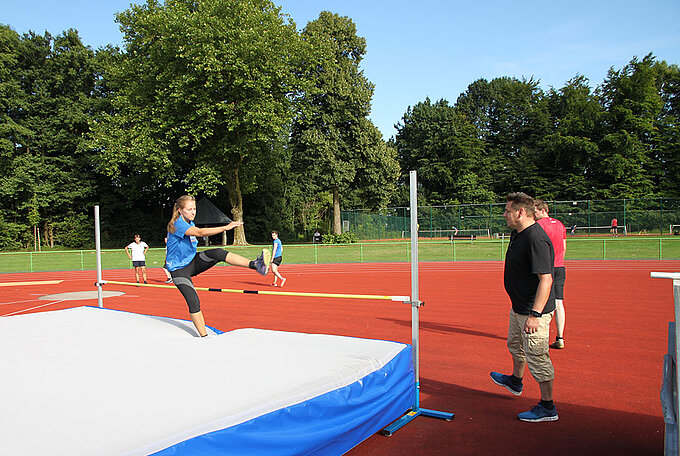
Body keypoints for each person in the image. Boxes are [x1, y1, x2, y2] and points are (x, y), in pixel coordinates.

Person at [490, 192, 558, 422]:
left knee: (537, 355)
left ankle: (548, 406)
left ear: (520, 212)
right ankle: (515, 381)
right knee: (514, 345)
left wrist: (535, 315)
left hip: (533, 311)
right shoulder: (517, 234)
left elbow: (546, 279)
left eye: (508, 211)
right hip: (518, 307)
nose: (504, 214)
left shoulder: (536, 239)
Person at [165, 195, 271, 337]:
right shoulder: (178, 224)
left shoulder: (189, 222)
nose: (193, 212)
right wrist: (225, 228)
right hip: (178, 270)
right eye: (189, 209)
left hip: (192, 263)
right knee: (193, 300)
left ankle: (256, 265)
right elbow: (200, 232)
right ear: (180, 210)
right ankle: (204, 337)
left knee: (217, 253)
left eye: (194, 209)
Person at [535, 200, 567, 349]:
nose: (533, 215)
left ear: (542, 210)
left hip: (545, 267)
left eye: (535, 212)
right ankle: (560, 336)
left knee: (543, 302)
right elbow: (564, 247)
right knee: (559, 302)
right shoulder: (560, 225)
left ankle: (542, 335)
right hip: (559, 266)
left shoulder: (539, 225)